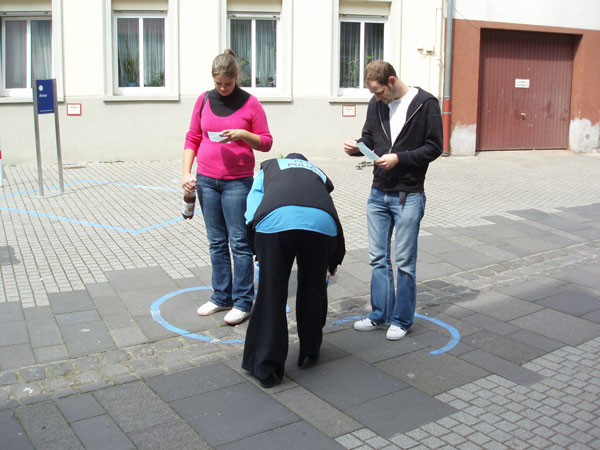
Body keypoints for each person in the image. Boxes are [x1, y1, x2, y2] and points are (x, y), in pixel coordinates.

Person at [343, 60, 442, 341]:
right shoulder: (376, 105)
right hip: (378, 192)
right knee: (378, 258)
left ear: (391, 80)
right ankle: (379, 315)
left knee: (405, 262)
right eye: (373, 94)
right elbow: (369, 139)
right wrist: (357, 148)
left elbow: (435, 147)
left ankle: (401, 320)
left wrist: (399, 158)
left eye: (379, 92)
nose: (377, 98)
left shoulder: (425, 103)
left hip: (408, 194)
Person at [182, 49, 273, 326]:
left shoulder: (250, 103)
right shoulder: (203, 100)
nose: (222, 88)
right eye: (218, 83)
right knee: (216, 242)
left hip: (237, 183)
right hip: (207, 181)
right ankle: (221, 295)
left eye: (228, 84)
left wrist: (244, 135)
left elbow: (267, 142)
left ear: (236, 78)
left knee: (239, 243)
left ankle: (243, 301)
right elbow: (193, 137)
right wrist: (186, 172)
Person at [242, 153, 345, 388]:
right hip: (322, 224)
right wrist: (333, 259)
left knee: (271, 293)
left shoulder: (269, 168)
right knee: (313, 287)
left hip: (275, 222)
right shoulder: (317, 171)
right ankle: (310, 350)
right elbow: (327, 205)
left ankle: (266, 367)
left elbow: (251, 210)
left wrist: (255, 248)